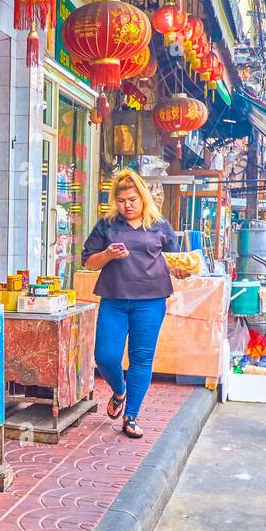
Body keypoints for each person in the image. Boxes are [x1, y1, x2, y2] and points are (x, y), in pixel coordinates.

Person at [82, 169, 187, 439]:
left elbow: (174, 262)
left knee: (141, 358)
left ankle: (131, 416)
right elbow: (88, 262)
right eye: (121, 200)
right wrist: (106, 254)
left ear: (143, 197)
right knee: (105, 356)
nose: (127, 205)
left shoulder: (160, 225)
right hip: (114, 299)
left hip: (151, 301)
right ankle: (119, 390)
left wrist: (182, 270)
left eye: (132, 199)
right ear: (114, 201)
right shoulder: (107, 225)